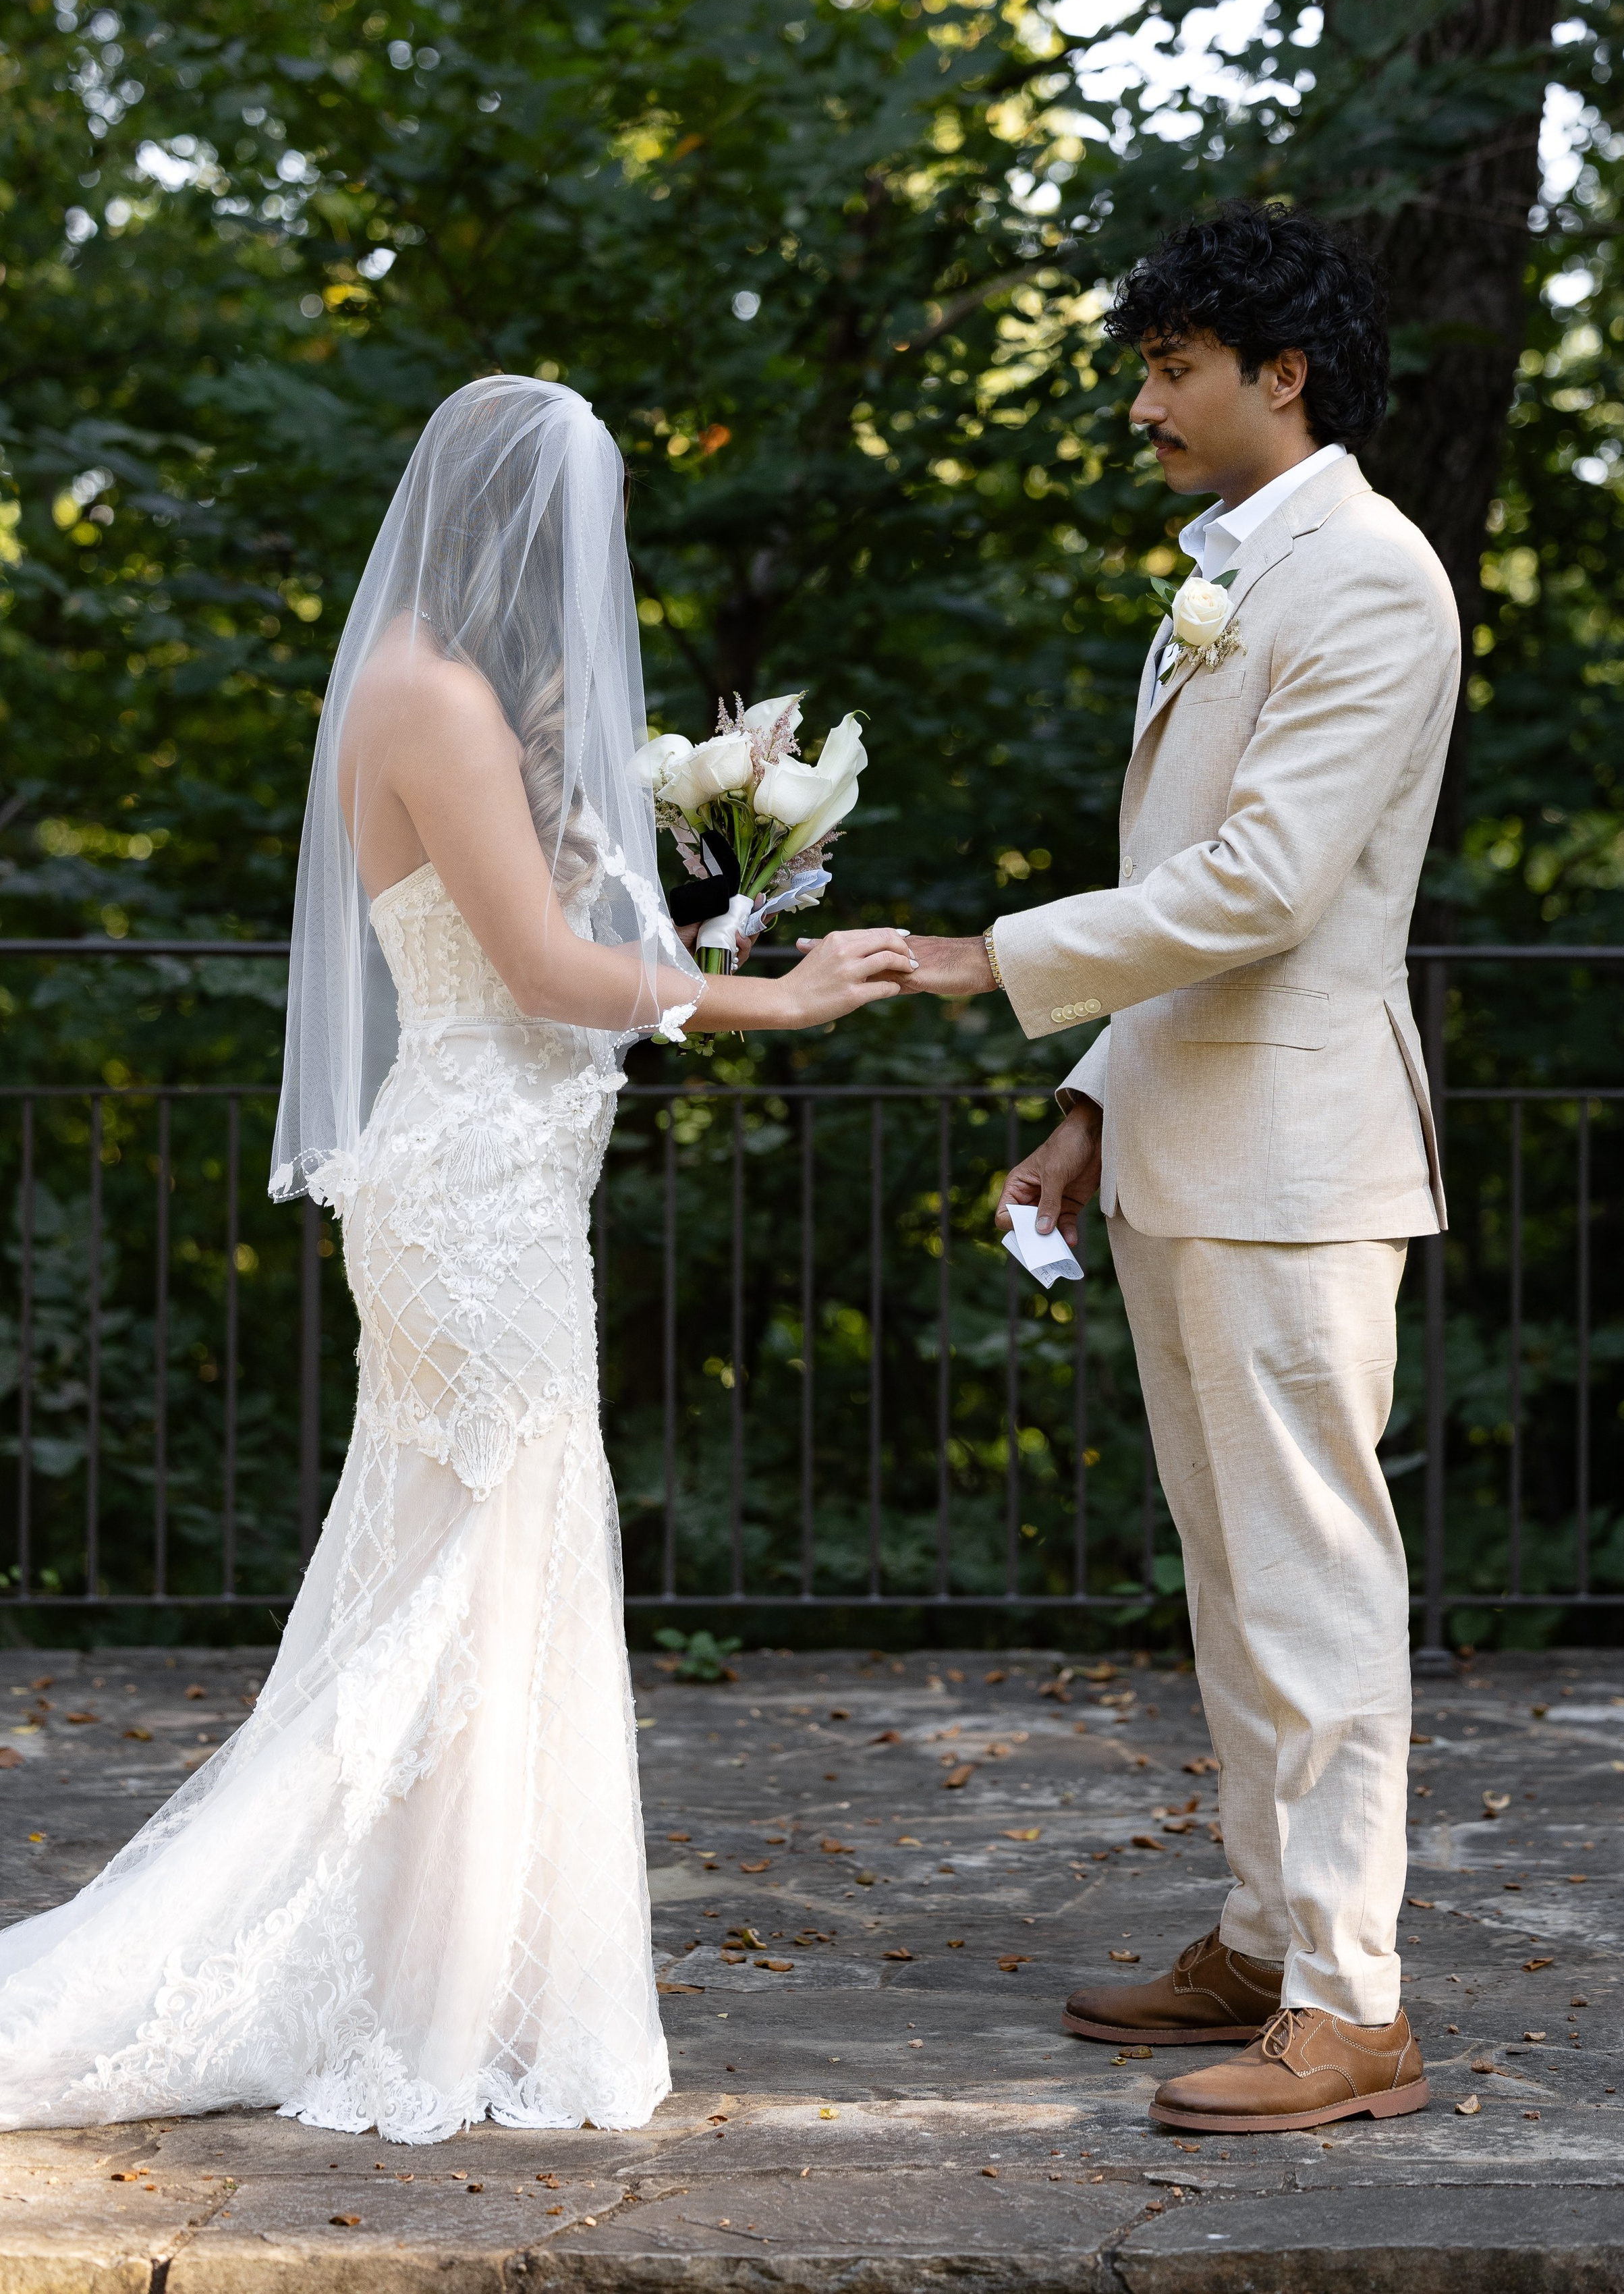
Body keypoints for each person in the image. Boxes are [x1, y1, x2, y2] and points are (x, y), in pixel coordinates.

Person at [0, 375, 912, 2142]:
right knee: (485, 1567)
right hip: (469, 1191)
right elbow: (553, 977)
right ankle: (406, 1983)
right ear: (518, 522)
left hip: (499, 1180)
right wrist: (771, 1001)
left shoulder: (465, 690)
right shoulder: (429, 689)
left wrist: (704, 877)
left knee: (485, 1570)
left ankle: (450, 1968)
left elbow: (568, 931)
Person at [905, 201, 1458, 2135]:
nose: (1145, 404)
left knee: (1316, 1591)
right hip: (1186, 1144)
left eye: (1171, 368)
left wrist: (996, 955)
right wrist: (1090, 1107)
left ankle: (1355, 2007)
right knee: (1234, 1589)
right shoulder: (1234, 571)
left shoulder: (1370, 579)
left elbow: (1265, 890)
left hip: (1302, 1165)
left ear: (1278, 375)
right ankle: (1263, 1939)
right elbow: (1193, 907)